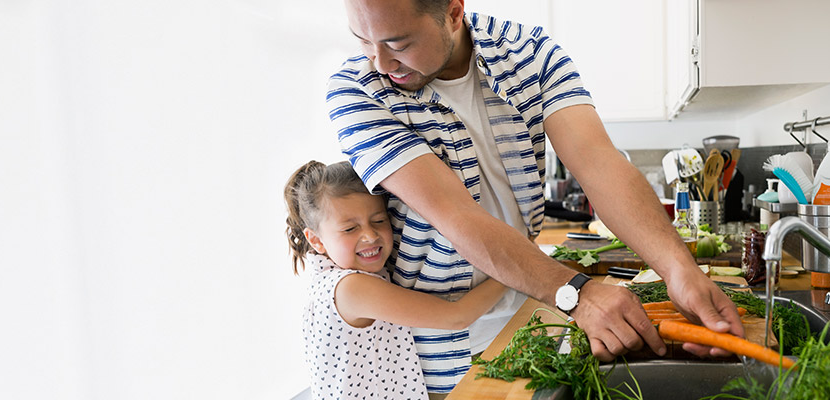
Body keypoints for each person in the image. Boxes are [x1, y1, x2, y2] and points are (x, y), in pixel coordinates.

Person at [326, 0, 744, 394]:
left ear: (453, 12)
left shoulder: (530, 52)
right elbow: (456, 216)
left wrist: (677, 269)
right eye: (362, 39)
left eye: (397, 43)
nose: (379, 63)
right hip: (439, 353)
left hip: (537, 316)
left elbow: (599, 163)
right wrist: (577, 292)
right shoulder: (355, 90)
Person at [285, 160, 511, 400]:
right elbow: (456, 316)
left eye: (379, 221)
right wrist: (512, 271)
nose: (370, 235)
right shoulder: (351, 288)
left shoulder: (328, 278)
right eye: (350, 229)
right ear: (316, 240)